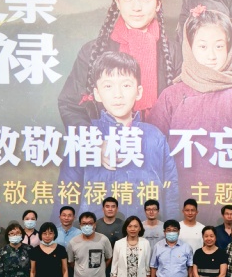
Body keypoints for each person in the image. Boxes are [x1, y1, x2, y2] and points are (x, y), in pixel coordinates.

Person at [148, 8, 232, 222]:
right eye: (202, 46)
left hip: (226, 219)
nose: (211, 55)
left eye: (219, 46)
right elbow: (151, 160)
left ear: (229, 48)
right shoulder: (170, 97)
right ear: (189, 48)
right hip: (175, 215)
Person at [57, 53, 179, 218]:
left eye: (126, 85)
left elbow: (171, 195)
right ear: (97, 93)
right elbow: (65, 195)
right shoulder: (85, 138)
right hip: (96, 232)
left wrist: (172, 229)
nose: (118, 94)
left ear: (139, 91)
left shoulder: (155, 137)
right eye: (108, 86)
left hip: (147, 231)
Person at [57, 0, 178, 129]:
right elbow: (70, 104)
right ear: (117, 2)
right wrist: (96, 140)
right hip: (105, 143)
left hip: (160, 142)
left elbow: (185, 110)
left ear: (158, 4)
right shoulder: (93, 51)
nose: (136, 7)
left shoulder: (174, 52)